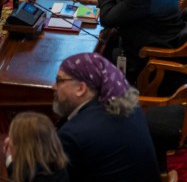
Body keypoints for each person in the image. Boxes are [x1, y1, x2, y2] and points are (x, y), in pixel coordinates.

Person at [53, 52, 160, 182]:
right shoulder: (132, 106)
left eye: (59, 81)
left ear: (81, 88)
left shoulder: (72, 135)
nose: (54, 87)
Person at [3, 112, 69, 182]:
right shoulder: (56, 167)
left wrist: (10, 159)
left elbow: (23, 175)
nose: (7, 140)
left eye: (12, 137)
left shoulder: (33, 177)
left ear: (24, 146)